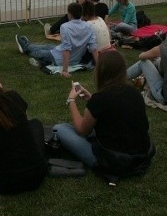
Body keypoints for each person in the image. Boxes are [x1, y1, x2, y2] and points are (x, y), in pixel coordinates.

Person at [53, 50, 154, 179]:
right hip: (141, 156)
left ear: (100, 72)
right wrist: (91, 98)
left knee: (60, 128)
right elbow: (115, 113)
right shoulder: (134, 93)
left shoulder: (100, 99)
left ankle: (98, 160)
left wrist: (71, 100)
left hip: (113, 161)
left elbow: (82, 131)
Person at [16, 2, 98, 77]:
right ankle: (27, 45)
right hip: (74, 58)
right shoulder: (89, 27)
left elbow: (67, 50)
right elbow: (93, 48)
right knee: (47, 46)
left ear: (70, 14)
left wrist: (65, 70)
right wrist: (98, 66)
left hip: (58, 58)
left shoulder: (65, 27)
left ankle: (25, 47)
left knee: (39, 53)